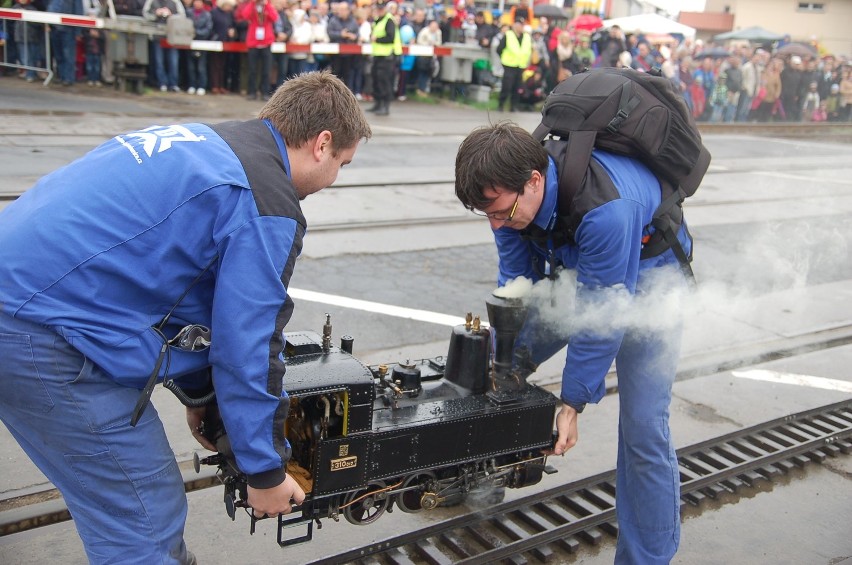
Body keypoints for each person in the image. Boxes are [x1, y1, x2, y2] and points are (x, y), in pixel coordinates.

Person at [0, 71, 372, 565]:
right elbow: (250, 341)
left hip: (33, 300)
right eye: (342, 164)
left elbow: (191, 294)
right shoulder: (266, 199)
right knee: (142, 511)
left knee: (133, 501)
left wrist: (201, 396)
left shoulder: (212, 142)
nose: (334, 178)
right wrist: (263, 471)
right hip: (37, 330)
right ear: (323, 144)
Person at [454, 121, 690, 564]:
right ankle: (477, 474)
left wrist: (573, 402)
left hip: (650, 272)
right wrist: (506, 352)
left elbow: (603, 314)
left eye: (501, 214)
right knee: (498, 367)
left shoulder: (606, 212)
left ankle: (646, 557)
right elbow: (517, 281)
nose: (496, 224)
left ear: (534, 181)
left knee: (642, 426)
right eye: (486, 214)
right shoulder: (506, 197)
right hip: (578, 260)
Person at [236, 0, 279, 101]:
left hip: (266, 43)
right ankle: (252, 92)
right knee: (252, 70)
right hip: (253, 43)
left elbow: (275, 17)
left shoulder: (268, 6)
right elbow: (245, 15)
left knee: (266, 70)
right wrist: (252, 3)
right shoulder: (252, 6)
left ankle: (265, 92)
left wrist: (267, 4)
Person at [143, 0, 185, 92]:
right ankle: (162, 83)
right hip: (156, 37)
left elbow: (182, 16)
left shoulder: (175, 2)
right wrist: (156, 14)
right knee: (159, 62)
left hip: (172, 37)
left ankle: (173, 84)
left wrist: (171, 15)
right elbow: (145, 15)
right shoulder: (151, 1)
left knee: (173, 62)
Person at [370, 0, 401, 116]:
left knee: (384, 81)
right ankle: (377, 103)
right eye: (378, 8)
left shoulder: (389, 20)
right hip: (378, 55)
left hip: (387, 56)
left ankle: (385, 106)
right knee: (376, 79)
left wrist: (376, 39)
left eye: (381, 8)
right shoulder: (378, 20)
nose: (379, 10)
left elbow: (390, 37)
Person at [495, 18, 531, 112]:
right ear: (515, 25)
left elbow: (528, 50)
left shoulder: (526, 37)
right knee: (506, 86)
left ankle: (513, 106)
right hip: (509, 65)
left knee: (517, 87)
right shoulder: (508, 35)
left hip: (521, 65)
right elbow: (499, 49)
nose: (522, 27)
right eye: (520, 25)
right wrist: (504, 59)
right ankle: (501, 104)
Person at [185, 0, 212, 95]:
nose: (197, 3)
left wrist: (196, 32)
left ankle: (201, 86)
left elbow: (208, 29)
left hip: (202, 42)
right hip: (189, 41)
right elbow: (185, 26)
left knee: (201, 66)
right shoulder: (188, 13)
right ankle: (192, 85)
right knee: (190, 66)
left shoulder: (207, 15)